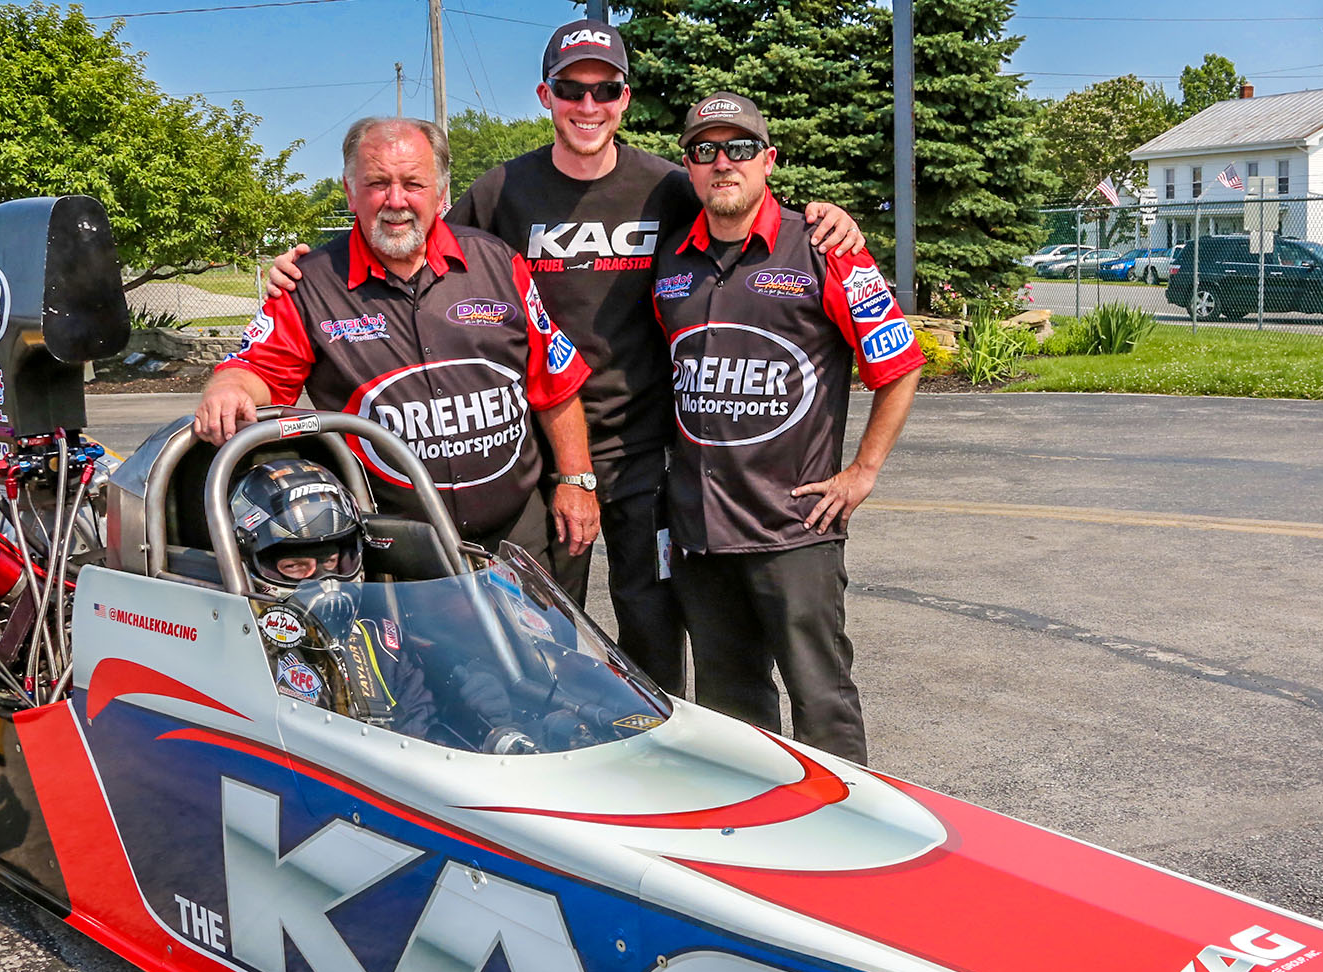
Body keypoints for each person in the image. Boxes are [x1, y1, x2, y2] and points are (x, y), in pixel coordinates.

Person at [266, 19, 868, 696]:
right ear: (545, 96)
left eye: (604, 89)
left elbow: (741, 209)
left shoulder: (668, 187)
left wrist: (827, 218)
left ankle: (653, 765)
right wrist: (305, 269)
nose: (588, 105)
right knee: (546, 621)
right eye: (570, 89)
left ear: (625, 99)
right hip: (548, 453)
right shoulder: (502, 192)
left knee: (652, 622)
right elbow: (416, 239)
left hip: (647, 452)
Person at [650, 92, 924, 765]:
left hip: (792, 528)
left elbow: (900, 364)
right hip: (702, 535)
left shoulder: (825, 247)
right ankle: (755, 845)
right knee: (731, 713)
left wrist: (863, 471)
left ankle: (858, 847)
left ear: (768, 159)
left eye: (739, 148)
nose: (723, 162)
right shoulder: (670, 262)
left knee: (821, 701)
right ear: (688, 165)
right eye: (705, 149)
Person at [196, 116, 599, 570]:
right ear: (349, 191)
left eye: (413, 183)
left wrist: (577, 479)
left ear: (442, 194)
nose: (396, 201)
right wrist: (228, 388)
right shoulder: (308, 285)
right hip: (396, 552)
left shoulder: (498, 263)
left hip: (521, 532)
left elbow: (555, 382)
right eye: (376, 183)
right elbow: (257, 370)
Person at [231, 458, 511, 743]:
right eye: (295, 566)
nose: (323, 580)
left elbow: (421, 735)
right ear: (254, 564)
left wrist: (470, 716)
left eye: (330, 560)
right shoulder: (238, 650)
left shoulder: (382, 644)